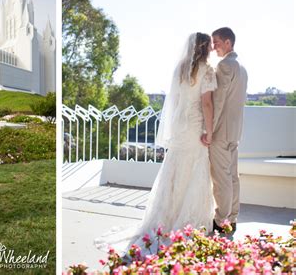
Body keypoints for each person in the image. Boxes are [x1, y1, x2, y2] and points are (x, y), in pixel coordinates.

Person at [94, 32, 217, 255]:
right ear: (205, 47)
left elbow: (175, 101)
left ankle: (166, 217)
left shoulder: (180, 68)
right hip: (195, 124)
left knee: (175, 167)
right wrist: (209, 130)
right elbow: (207, 103)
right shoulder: (206, 70)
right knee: (194, 167)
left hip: (180, 124)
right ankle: (186, 220)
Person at [205, 27, 247, 233]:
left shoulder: (224, 66)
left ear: (228, 42)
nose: (214, 47)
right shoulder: (242, 68)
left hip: (221, 131)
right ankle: (233, 218)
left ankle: (221, 220)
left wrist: (210, 130)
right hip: (236, 131)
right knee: (232, 176)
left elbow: (218, 101)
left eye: (217, 42)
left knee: (221, 177)